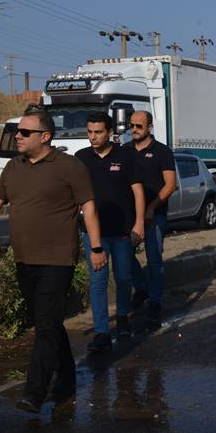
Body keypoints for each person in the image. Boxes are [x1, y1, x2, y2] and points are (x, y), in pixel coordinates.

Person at [0, 110, 104, 414]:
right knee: (47, 322)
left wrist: (97, 247)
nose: (17, 137)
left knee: (46, 325)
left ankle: (34, 393)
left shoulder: (69, 166)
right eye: (17, 132)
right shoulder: (13, 168)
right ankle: (67, 378)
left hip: (58, 259)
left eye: (24, 132)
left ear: (45, 136)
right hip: (24, 257)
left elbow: (88, 208)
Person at [76, 113, 145, 352]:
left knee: (124, 277)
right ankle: (102, 331)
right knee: (98, 281)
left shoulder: (126, 155)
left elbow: (137, 191)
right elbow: (74, 195)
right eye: (89, 132)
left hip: (122, 231)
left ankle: (123, 316)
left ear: (110, 133)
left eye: (98, 132)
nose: (92, 137)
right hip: (93, 233)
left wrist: (139, 223)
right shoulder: (81, 158)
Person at [127, 110, 177, 328]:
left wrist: (151, 207)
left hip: (154, 214)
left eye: (139, 126)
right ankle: (141, 287)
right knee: (124, 254)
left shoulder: (162, 152)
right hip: (129, 215)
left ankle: (154, 303)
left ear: (149, 127)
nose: (134, 130)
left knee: (154, 260)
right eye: (132, 125)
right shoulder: (124, 151)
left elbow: (170, 185)